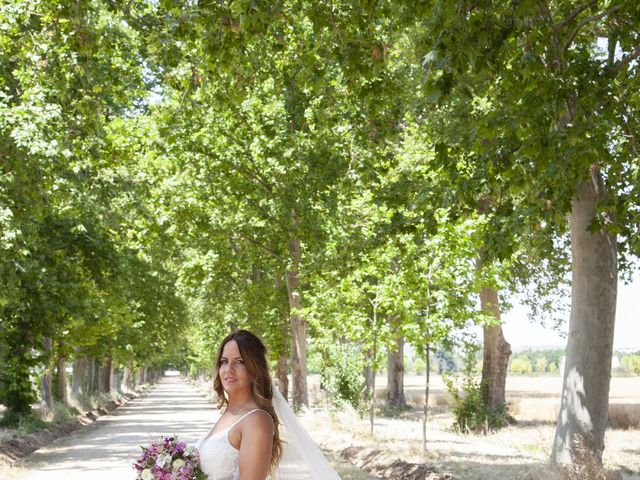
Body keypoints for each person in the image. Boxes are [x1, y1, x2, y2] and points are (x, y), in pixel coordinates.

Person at [196, 329, 342, 480]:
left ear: (254, 369)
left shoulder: (256, 421)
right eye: (224, 361)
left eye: (239, 362)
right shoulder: (230, 413)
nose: (229, 369)